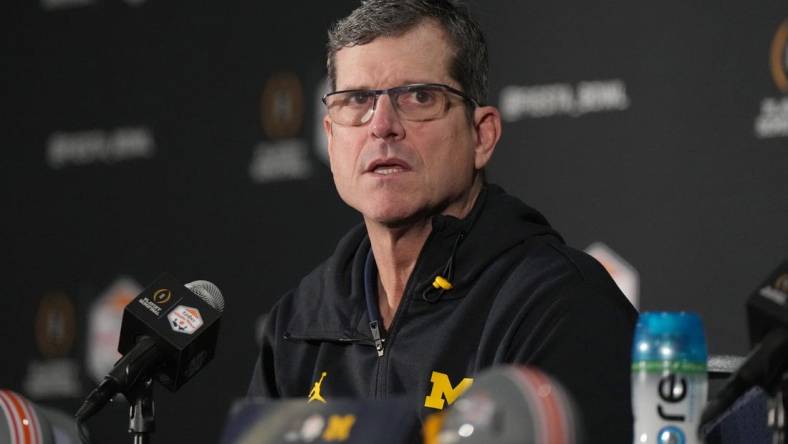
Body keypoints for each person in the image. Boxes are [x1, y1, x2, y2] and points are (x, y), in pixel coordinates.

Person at [249, 0, 638, 441]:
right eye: (357, 100)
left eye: (419, 97)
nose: (382, 126)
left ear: (481, 135)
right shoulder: (300, 320)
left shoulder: (557, 304)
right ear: (330, 137)